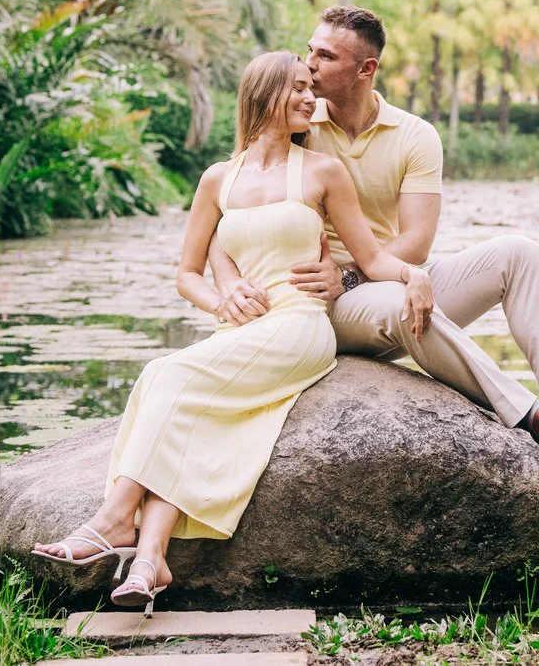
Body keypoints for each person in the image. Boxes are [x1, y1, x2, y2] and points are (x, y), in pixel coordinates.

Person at [29, 51, 435, 612]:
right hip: (243, 331)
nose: (308, 98)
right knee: (184, 404)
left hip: (298, 325)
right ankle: (150, 557)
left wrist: (414, 274)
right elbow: (186, 274)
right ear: (264, 94)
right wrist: (223, 296)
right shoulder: (219, 179)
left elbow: (369, 256)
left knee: (164, 374)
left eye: (308, 88)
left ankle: (114, 517)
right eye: (296, 88)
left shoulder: (322, 171)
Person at [207, 4, 539, 471]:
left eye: (326, 57)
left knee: (519, 253)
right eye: (310, 51)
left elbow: (416, 241)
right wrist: (228, 281)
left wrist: (353, 276)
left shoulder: (415, 135)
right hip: (318, 302)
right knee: (401, 300)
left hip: (376, 277)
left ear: (365, 69)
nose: (310, 64)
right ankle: (533, 417)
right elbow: (229, 204)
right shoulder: (295, 120)